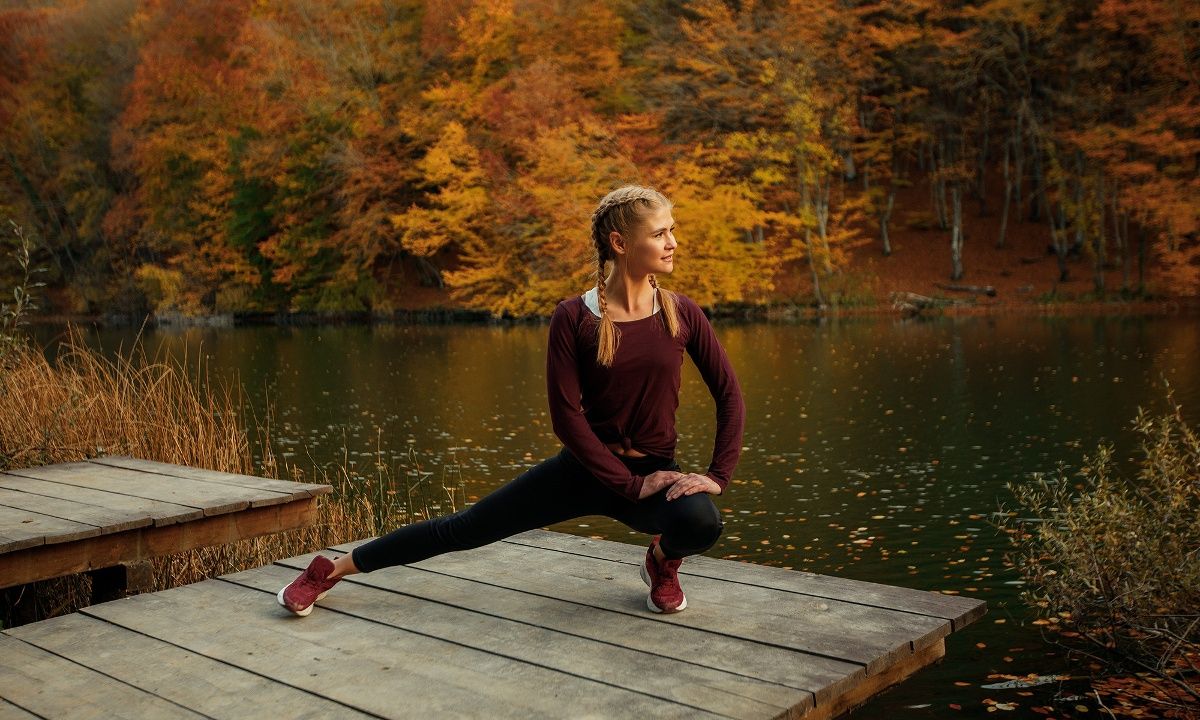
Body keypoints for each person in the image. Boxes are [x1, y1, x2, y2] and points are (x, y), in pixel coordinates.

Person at [278, 184, 745, 616]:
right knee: (462, 529)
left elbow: (729, 393)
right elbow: (566, 417)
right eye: (661, 233)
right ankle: (331, 570)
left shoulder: (681, 313)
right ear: (621, 244)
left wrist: (716, 476)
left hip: (654, 473)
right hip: (581, 472)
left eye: (672, 231)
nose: (673, 243)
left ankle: (662, 561)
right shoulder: (573, 317)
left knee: (702, 519)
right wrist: (625, 485)